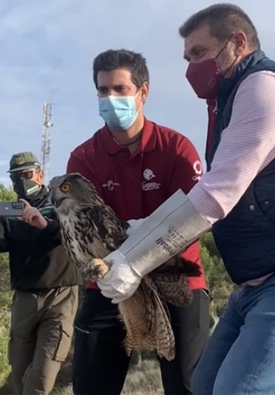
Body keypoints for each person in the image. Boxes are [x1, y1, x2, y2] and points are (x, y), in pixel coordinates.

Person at [92, 4, 275, 394]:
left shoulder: (265, 88)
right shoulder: (231, 101)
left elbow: (216, 194)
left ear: (237, 42)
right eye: (187, 58)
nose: (191, 67)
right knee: (207, 386)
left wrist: (133, 259)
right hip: (265, 280)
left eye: (199, 53)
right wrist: (144, 234)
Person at [66, 49, 210, 395]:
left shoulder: (177, 149)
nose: (110, 98)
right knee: (90, 386)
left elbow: (196, 218)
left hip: (176, 278)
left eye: (120, 89)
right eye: (103, 90)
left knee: (192, 387)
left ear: (143, 91)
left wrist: (139, 257)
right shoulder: (83, 158)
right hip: (109, 282)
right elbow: (84, 231)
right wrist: (118, 266)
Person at [0, 152, 81, 395]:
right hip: (25, 298)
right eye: (15, 177)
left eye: (26, 174)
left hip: (60, 295)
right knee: (20, 373)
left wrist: (46, 225)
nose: (21, 181)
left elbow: (76, 234)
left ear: (40, 174)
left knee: (41, 376)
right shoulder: (11, 212)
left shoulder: (62, 203)